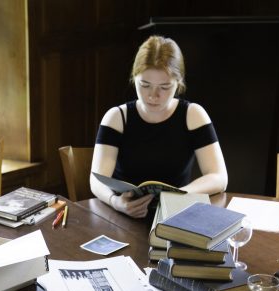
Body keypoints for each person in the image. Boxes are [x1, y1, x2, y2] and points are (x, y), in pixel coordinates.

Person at [90, 35, 228, 218]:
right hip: (124, 215)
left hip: (175, 215)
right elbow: (96, 179)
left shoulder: (193, 115)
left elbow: (219, 177)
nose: (153, 96)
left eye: (164, 87)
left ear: (178, 84)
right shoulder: (116, 117)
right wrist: (115, 202)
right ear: (134, 78)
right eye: (145, 85)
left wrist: (179, 196)